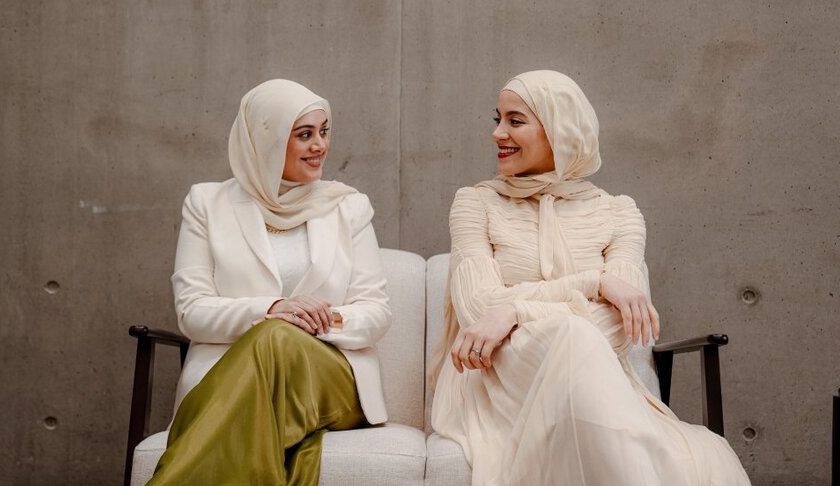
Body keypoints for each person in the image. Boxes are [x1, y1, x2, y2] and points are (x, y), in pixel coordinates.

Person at [430, 70, 750, 485]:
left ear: (559, 130)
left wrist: (515, 308)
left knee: (575, 336)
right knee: (573, 332)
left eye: (515, 120)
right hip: (498, 377)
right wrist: (593, 284)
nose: (497, 134)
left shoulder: (619, 213)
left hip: (590, 383)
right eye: (498, 119)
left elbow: (619, 328)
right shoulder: (474, 204)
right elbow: (479, 308)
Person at [149, 79, 392, 485]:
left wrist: (313, 320)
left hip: (331, 377)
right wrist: (272, 310)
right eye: (304, 135)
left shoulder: (348, 205)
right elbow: (191, 312)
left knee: (277, 337)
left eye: (324, 131)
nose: (320, 146)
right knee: (273, 334)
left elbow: (377, 313)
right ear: (266, 139)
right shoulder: (207, 204)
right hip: (240, 376)